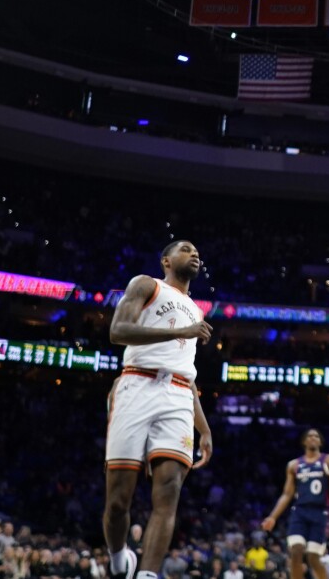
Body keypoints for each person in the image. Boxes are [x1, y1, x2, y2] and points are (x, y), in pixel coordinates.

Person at [103, 241, 215, 579]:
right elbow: (117, 332)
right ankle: (118, 554)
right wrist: (180, 331)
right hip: (137, 384)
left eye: (197, 250)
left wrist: (205, 428)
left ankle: (149, 575)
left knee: (169, 490)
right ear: (166, 260)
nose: (194, 253)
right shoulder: (147, 285)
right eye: (185, 249)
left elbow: (185, 371)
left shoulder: (197, 311)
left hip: (179, 394)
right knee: (118, 499)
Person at [262, 429, 329, 579]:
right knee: (296, 551)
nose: (313, 438)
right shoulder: (294, 465)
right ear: (304, 442)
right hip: (300, 511)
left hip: (320, 512)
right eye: (309, 436)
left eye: (316, 436)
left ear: (320, 442)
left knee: (313, 557)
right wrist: (272, 517)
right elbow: (287, 494)